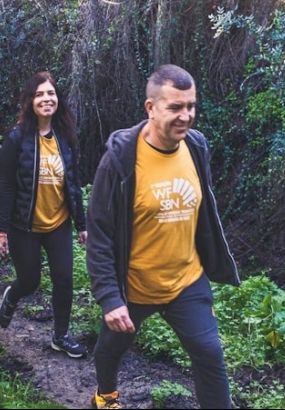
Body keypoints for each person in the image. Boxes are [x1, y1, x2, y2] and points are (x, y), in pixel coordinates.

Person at [86, 64, 240, 409]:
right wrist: (110, 298)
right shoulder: (119, 162)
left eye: (191, 106)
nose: (186, 116)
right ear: (150, 108)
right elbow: (99, 235)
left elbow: (204, 213)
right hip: (136, 285)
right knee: (111, 349)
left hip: (186, 280)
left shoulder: (196, 148)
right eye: (175, 107)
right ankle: (106, 395)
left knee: (209, 353)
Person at [0, 71, 88, 358]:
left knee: (64, 278)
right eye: (40, 94)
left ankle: (60, 335)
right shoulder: (16, 139)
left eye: (51, 94)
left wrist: (81, 224)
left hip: (58, 223)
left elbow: (73, 182)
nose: (46, 99)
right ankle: (12, 296)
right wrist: (1, 230)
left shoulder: (65, 137)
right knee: (30, 281)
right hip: (25, 226)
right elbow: (7, 186)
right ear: (30, 101)